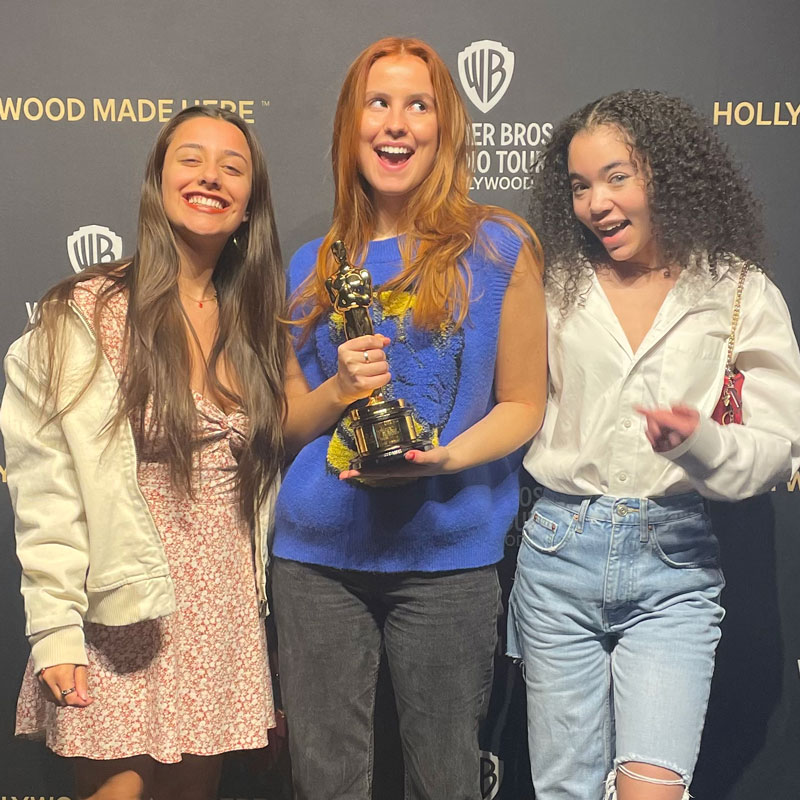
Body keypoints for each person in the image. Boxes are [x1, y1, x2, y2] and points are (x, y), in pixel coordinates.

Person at [271, 36, 547, 800]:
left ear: (444, 127)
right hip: (316, 558)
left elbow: (525, 400)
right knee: (326, 780)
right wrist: (337, 396)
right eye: (378, 102)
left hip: (448, 558)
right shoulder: (312, 263)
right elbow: (291, 421)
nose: (397, 122)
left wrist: (448, 461)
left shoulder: (497, 246)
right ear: (350, 125)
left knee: (445, 777)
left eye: (418, 104)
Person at [509, 89, 800, 800]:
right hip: (554, 556)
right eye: (579, 186)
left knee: (655, 790)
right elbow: (510, 403)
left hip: (676, 565)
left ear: (665, 174)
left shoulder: (738, 291)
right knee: (565, 792)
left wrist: (700, 442)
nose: (596, 204)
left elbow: (777, 449)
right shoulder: (552, 286)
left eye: (617, 177)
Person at [1, 105, 286, 800]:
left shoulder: (257, 326)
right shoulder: (84, 312)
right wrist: (56, 630)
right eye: (190, 158)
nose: (210, 176)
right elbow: (46, 489)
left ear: (250, 205)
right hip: (117, 611)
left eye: (232, 165)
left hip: (219, 611)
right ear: (156, 181)